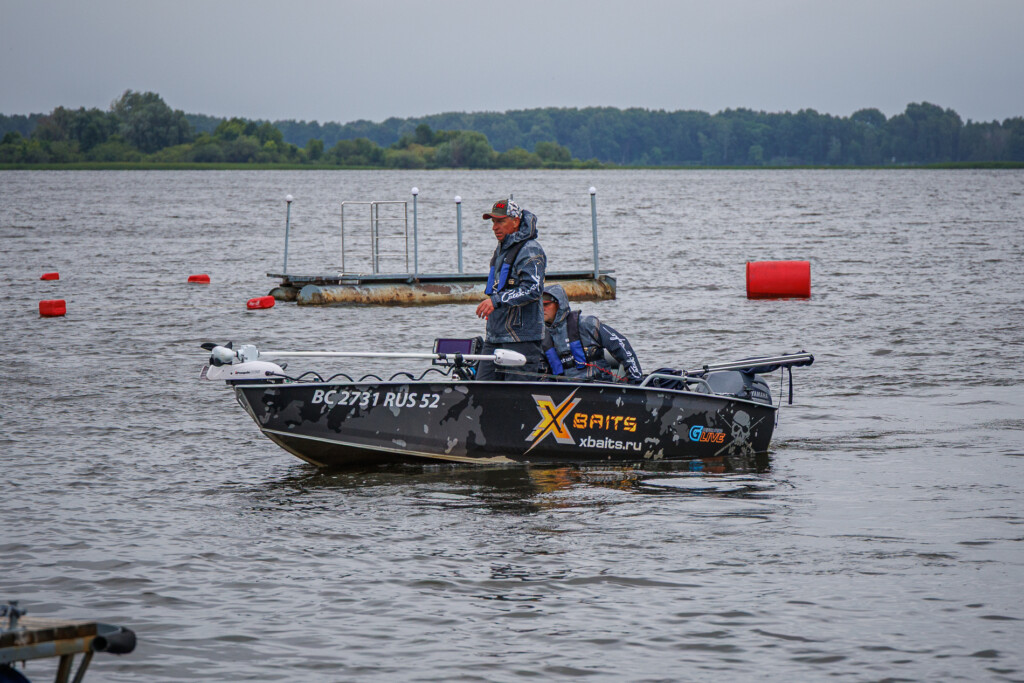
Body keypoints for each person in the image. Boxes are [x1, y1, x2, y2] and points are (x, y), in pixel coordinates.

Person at [474, 198, 546, 381]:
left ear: (515, 222)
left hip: (521, 340)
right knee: (480, 390)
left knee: (516, 395)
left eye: (500, 221)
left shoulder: (530, 249)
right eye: (493, 222)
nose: (494, 227)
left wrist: (496, 301)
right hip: (495, 338)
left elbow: (533, 288)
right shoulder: (501, 250)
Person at [540, 284, 643, 383]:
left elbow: (620, 344)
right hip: (563, 390)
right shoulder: (540, 337)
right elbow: (540, 373)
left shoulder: (587, 324)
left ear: (559, 304)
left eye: (546, 304)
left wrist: (635, 377)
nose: (542, 308)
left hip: (598, 386)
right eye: (540, 305)